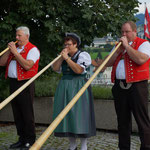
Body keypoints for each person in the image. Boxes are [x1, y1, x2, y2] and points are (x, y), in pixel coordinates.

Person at [99, 21, 150, 150]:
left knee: (142, 121)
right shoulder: (118, 46)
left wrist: (127, 46)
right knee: (122, 122)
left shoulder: (144, 44)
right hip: (119, 87)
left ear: (134, 31)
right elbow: (108, 63)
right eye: (122, 32)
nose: (124, 34)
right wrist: (117, 52)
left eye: (127, 31)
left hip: (137, 87)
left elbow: (141, 59)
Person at [52, 33, 96, 150]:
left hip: (79, 85)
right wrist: (62, 58)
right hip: (65, 86)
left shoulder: (83, 55)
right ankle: (72, 145)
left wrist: (67, 59)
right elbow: (55, 68)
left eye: (69, 44)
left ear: (76, 44)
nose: (66, 47)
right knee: (68, 115)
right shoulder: (63, 55)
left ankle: (83, 145)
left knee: (81, 114)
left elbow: (78, 70)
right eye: (65, 44)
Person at [0, 26, 40, 150]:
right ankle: (21, 139)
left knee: (26, 113)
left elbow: (27, 66)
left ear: (27, 36)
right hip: (13, 82)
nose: (17, 38)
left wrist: (16, 53)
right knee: (17, 113)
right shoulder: (14, 48)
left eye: (19, 36)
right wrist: (8, 50)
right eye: (16, 35)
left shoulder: (32, 49)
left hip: (25, 83)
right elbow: (1, 63)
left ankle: (30, 140)